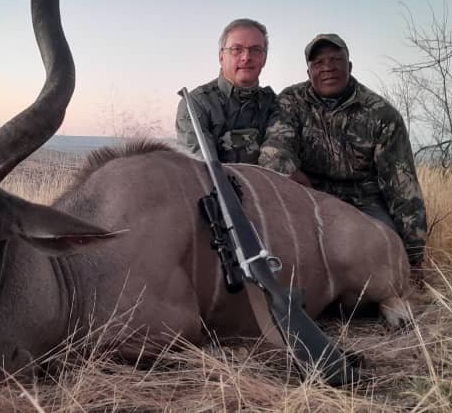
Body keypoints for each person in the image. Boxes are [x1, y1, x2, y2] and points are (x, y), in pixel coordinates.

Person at [258, 33, 427, 268]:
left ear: (349, 66)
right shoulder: (291, 101)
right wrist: (299, 185)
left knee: (385, 258)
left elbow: (403, 191)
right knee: (282, 257)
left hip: (364, 203)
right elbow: (273, 154)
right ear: (309, 73)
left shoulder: (382, 115)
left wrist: (414, 258)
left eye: (335, 60)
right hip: (310, 199)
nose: (328, 68)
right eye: (318, 63)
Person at [175, 18, 277, 163]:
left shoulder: (275, 104)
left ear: (264, 59)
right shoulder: (195, 104)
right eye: (236, 49)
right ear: (221, 57)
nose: (246, 57)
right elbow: (202, 172)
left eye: (256, 50)